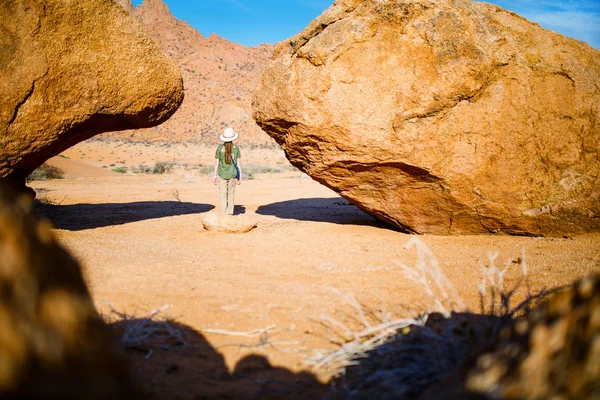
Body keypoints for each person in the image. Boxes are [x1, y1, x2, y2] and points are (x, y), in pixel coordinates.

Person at [212, 127, 242, 215]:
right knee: (231, 195)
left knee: (222, 196)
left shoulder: (219, 148)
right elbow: (238, 165)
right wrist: (240, 177)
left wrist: (214, 175)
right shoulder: (236, 149)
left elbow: (216, 164)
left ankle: (223, 215)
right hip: (233, 175)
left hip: (222, 175)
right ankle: (230, 214)